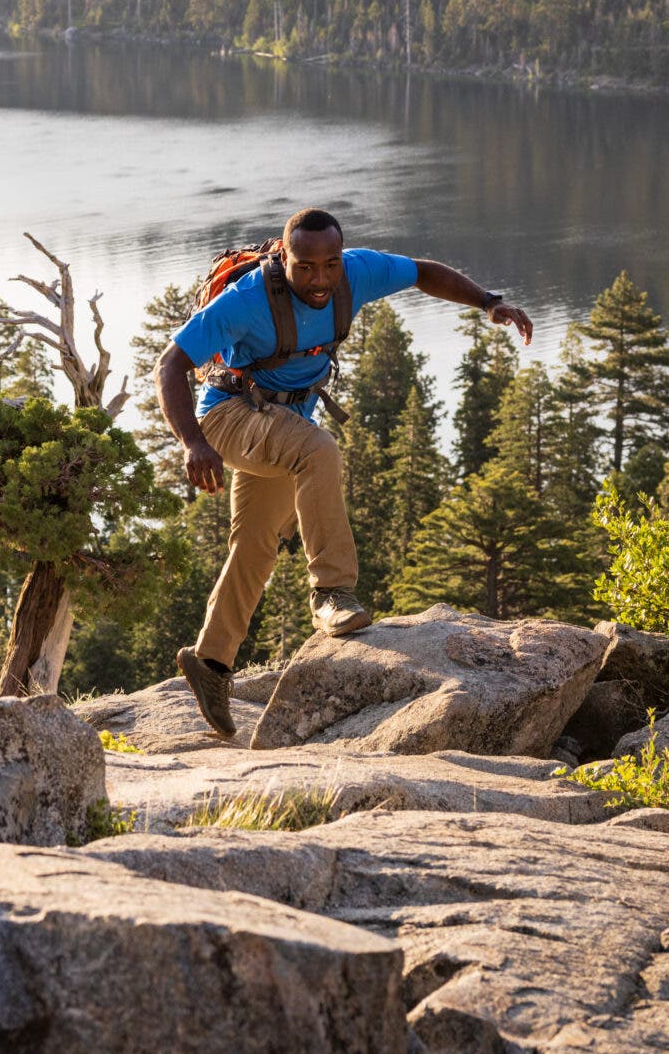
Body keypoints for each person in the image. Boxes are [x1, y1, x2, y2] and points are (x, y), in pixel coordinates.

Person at [155, 207, 531, 737]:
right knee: (320, 451)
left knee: (257, 541)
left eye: (329, 265)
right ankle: (332, 592)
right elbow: (171, 363)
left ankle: (211, 662)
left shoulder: (355, 272)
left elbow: (423, 271)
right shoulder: (246, 301)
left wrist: (489, 302)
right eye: (305, 267)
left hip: (282, 420)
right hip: (229, 417)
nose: (319, 280)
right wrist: (192, 442)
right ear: (284, 257)